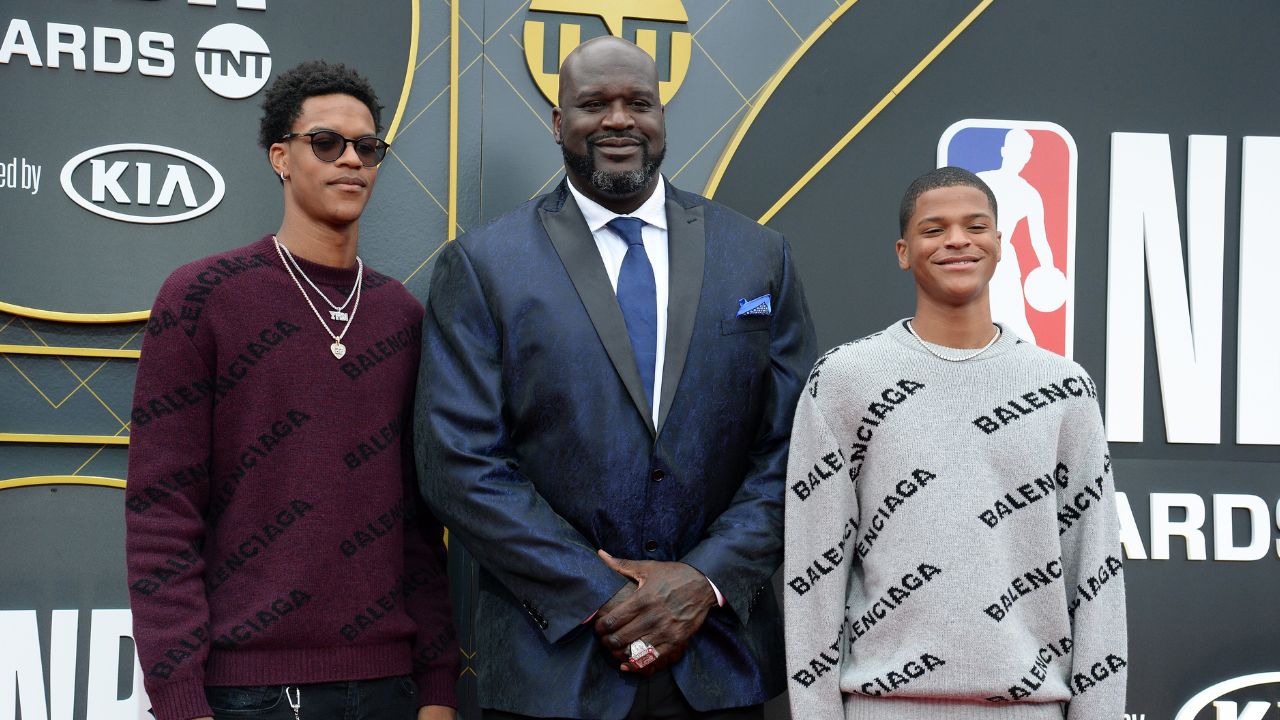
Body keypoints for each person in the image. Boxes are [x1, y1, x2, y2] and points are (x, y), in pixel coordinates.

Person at [416, 35, 815, 720]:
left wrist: (706, 580)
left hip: (719, 662)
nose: (618, 120)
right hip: (554, 667)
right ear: (556, 122)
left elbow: (797, 448)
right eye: (592, 103)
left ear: (662, 115)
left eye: (639, 102)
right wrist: (600, 594)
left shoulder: (758, 257)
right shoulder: (484, 265)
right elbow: (458, 463)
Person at [125, 61, 458, 720]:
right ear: (280, 156)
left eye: (368, 147)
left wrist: (439, 688)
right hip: (245, 692)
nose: (352, 160)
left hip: (389, 686)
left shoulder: (404, 318)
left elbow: (420, 527)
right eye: (326, 142)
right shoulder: (203, 298)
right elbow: (163, 516)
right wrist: (180, 700)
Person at [783, 167, 1126, 719]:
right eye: (934, 229)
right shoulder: (845, 381)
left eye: (975, 226)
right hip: (881, 707)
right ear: (903, 251)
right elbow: (813, 574)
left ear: (999, 244)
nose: (957, 240)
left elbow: (1096, 574)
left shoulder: (1062, 389)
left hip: (1031, 708)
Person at [976, 129, 1062, 345]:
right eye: (1017, 150)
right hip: (972, 261)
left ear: (1028, 156)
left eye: (1026, 152)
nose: (1021, 157)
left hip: (1005, 264)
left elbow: (1039, 239)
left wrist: (1049, 270)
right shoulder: (980, 182)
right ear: (1004, 151)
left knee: (1017, 327)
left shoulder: (1029, 193)